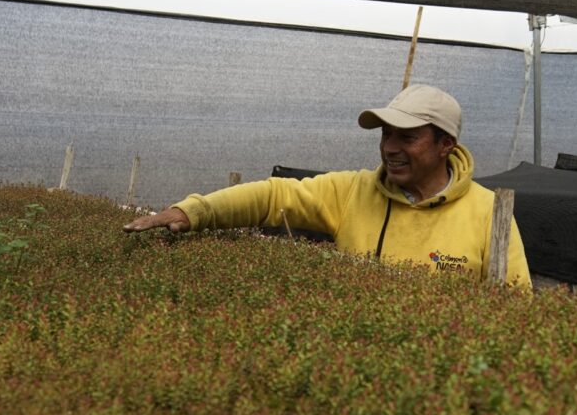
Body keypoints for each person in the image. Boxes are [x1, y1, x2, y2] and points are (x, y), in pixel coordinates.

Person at [124, 84, 531, 287]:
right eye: (386, 135)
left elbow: (515, 311)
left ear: (446, 145)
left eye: (407, 138)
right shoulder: (354, 191)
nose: (390, 148)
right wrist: (193, 212)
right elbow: (273, 196)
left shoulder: (490, 213)